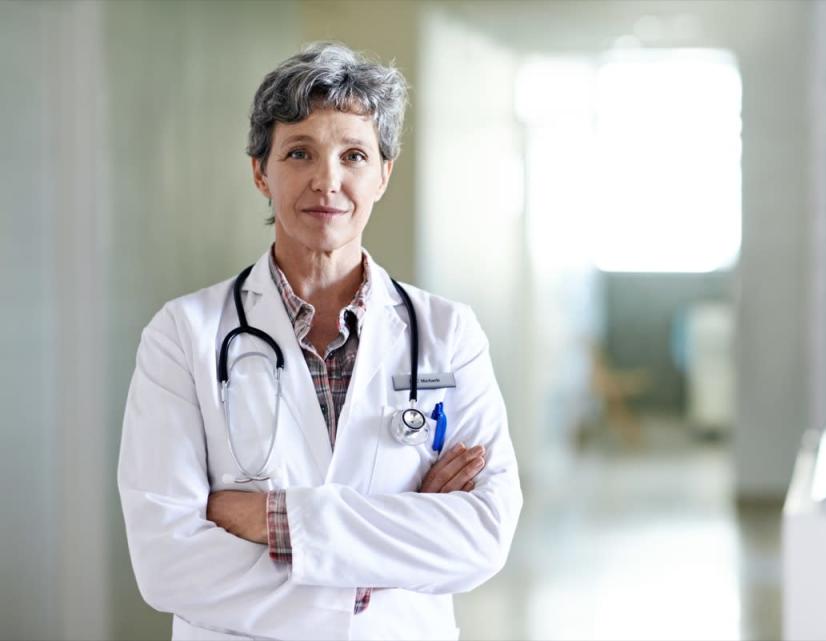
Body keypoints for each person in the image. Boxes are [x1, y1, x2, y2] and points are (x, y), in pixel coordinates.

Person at [117, 42, 522, 641]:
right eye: (299, 152)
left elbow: (482, 536)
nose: (326, 181)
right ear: (261, 171)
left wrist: (274, 521)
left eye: (354, 155)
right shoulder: (182, 335)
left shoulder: (448, 333)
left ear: (384, 173)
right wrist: (376, 570)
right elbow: (167, 564)